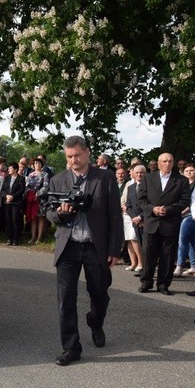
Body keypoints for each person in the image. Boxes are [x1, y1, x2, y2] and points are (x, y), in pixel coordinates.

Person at [45, 136, 123, 366]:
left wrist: (114, 249)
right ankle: (71, 348)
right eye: (69, 157)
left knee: (99, 293)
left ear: (87, 153)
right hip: (68, 247)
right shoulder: (57, 180)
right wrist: (60, 213)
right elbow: (49, 211)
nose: (73, 160)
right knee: (65, 299)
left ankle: (95, 322)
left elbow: (115, 217)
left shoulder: (106, 178)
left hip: (95, 247)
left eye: (77, 155)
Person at [137, 153, 191, 295]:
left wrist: (167, 210)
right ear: (159, 163)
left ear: (173, 163)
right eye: (164, 161)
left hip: (170, 223)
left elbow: (185, 201)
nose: (167, 164)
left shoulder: (182, 181)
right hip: (151, 222)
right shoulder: (148, 178)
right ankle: (146, 282)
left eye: (170, 161)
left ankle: (163, 284)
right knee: (148, 254)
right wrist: (153, 209)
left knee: (167, 255)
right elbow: (141, 199)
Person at [173, 165, 195, 277]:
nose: (189, 172)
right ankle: (194, 266)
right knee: (191, 240)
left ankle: (179, 266)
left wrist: (182, 212)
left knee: (182, 239)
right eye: (186, 171)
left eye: (191, 170)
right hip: (181, 214)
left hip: (191, 214)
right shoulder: (183, 184)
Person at [125, 164, 146, 277]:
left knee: (147, 246)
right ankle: (143, 270)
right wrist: (134, 218)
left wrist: (141, 217)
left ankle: (146, 269)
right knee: (139, 244)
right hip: (135, 222)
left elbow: (151, 204)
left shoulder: (150, 186)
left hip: (146, 220)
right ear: (133, 174)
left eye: (141, 172)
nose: (139, 175)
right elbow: (128, 205)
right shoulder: (130, 187)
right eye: (137, 173)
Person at [25, 158, 49, 244]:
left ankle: (39, 238)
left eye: (39, 163)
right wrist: (28, 195)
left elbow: (46, 187)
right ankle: (33, 237)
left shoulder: (45, 174)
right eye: (35, 163)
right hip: (31, 199)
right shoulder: (30, 174)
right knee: (33, 218)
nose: (37, 165)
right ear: (33, 165)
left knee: (41, 217)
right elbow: (27, 186)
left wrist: (37, 194)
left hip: (41, 199)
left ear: (41, 165)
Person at [0, 161, 25, 246]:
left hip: (16, 202)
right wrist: (6, 195)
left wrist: (12, 196)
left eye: (10, 168)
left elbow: (21, 190)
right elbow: (3, 189)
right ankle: (9, 238)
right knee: (8, 220)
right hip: (7, 202)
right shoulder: (6, 178)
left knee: (15, 220)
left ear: (15, 169)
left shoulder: (21, 178)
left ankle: (15, 238)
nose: (8, 170)